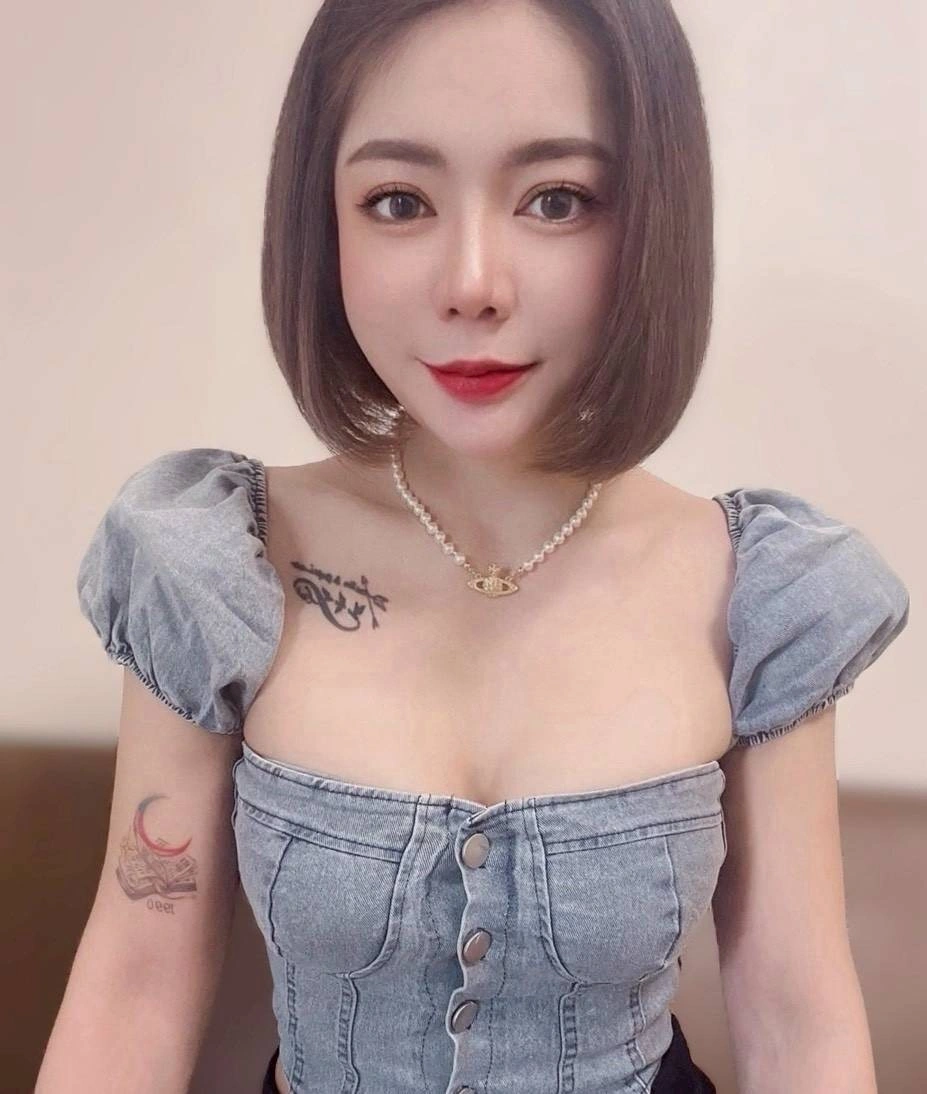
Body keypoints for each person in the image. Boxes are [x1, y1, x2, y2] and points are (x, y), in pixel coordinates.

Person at [40, 2, 910, 1092]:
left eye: (557, 199)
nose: (472, 284)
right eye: (398, 201)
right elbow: (136, 984)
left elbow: (797, 1021)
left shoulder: (758, 590)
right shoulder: (214, 561)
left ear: (654, 217)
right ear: (322, 221)